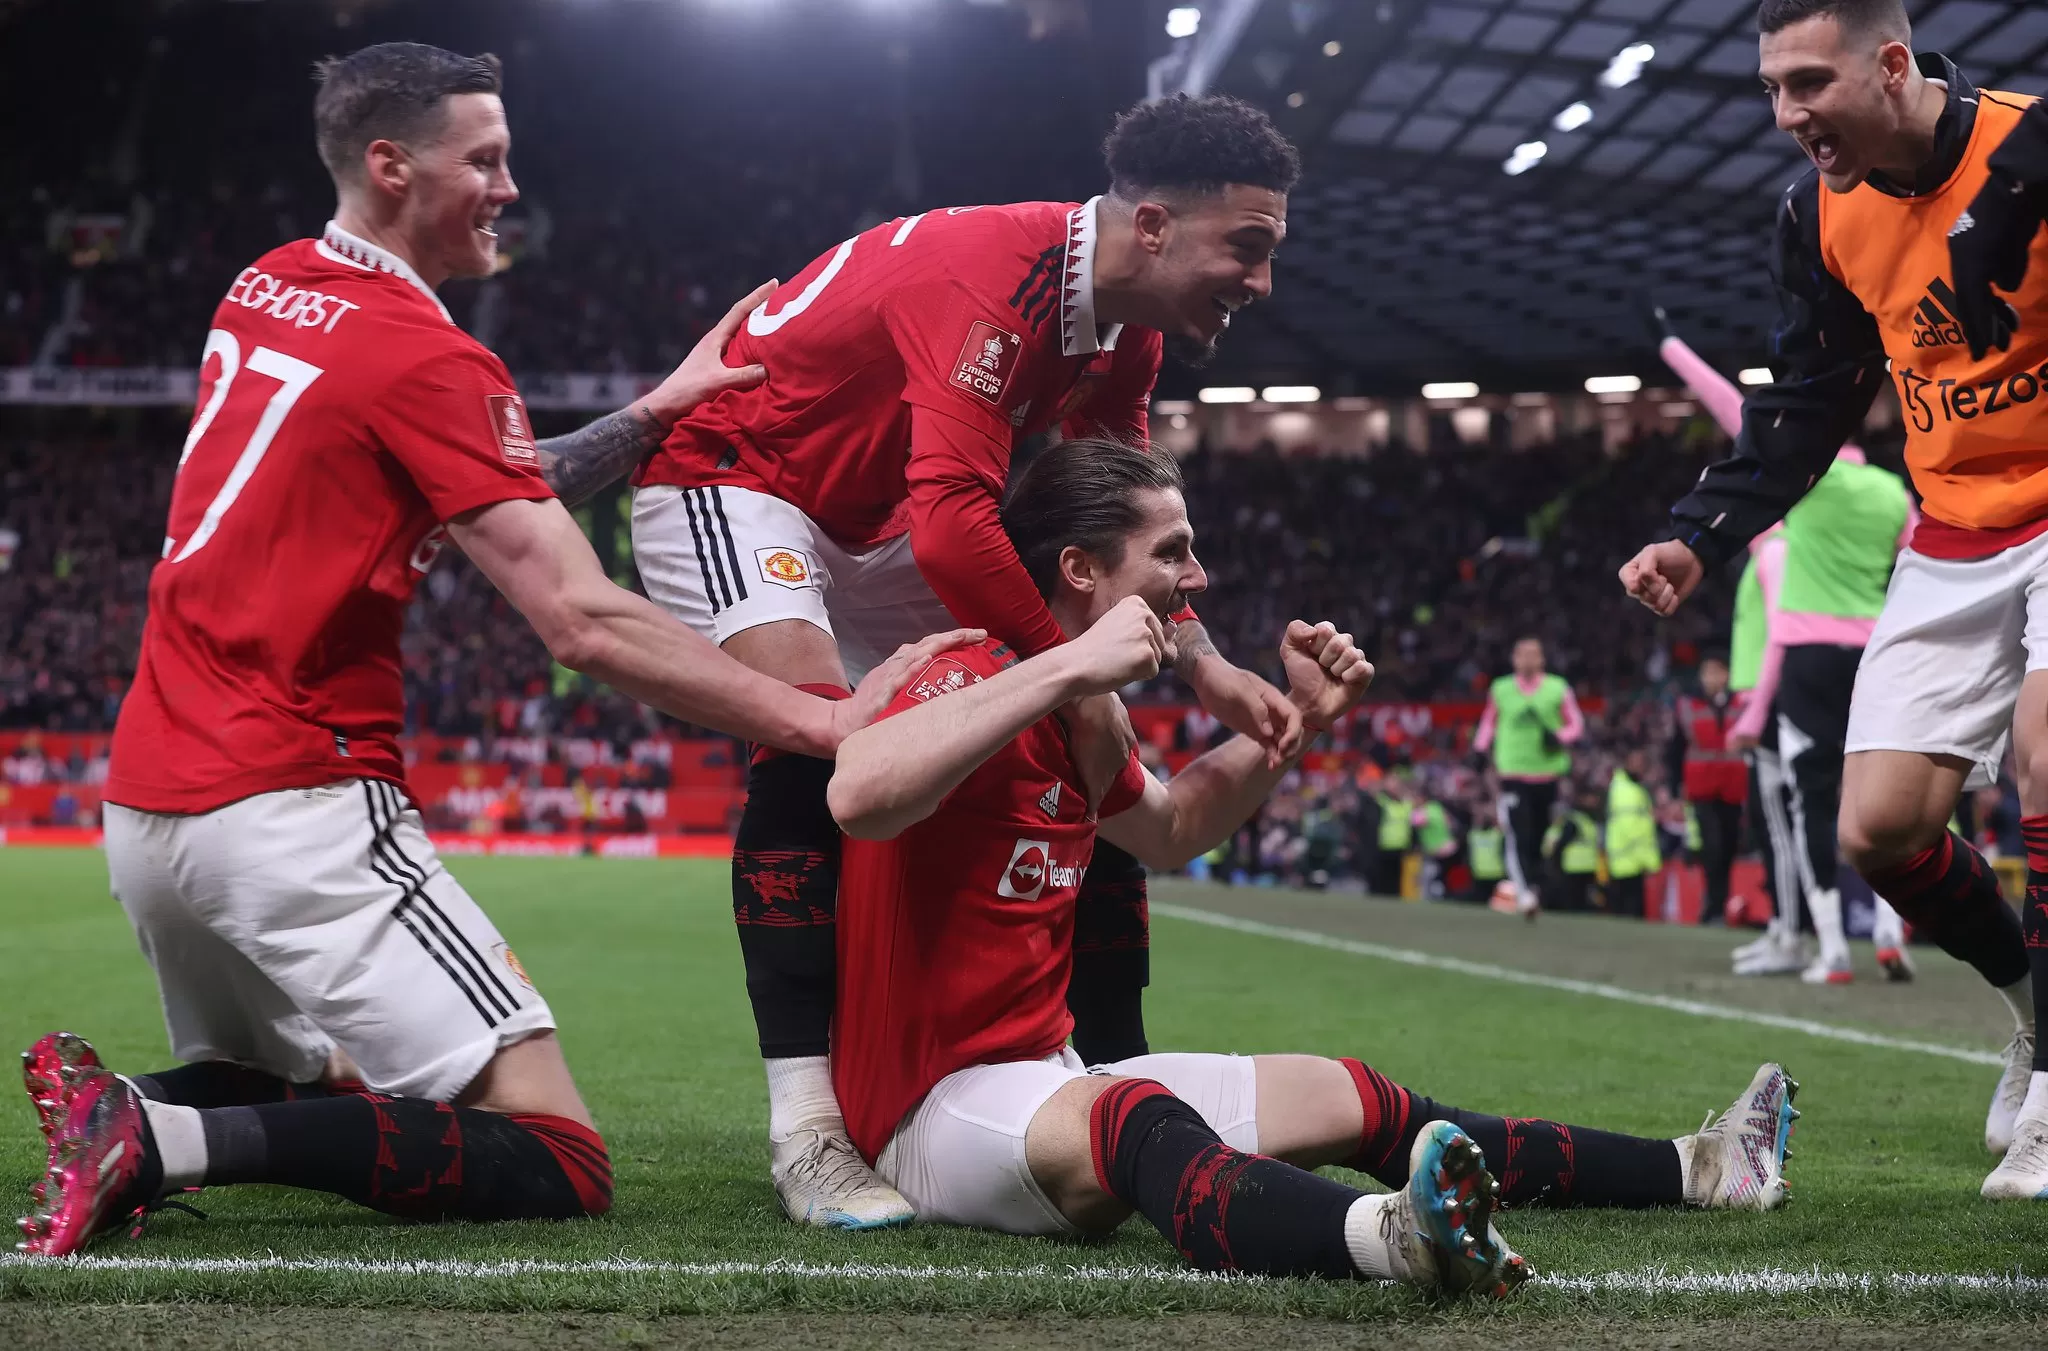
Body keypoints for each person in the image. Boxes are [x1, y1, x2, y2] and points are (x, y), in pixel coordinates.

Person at [13, 43, 977, 1258]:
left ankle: (126, 1111)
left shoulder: (268, 285)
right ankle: (156, 1141)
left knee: (297, 1089)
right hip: (291, 795)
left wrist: (653, 411)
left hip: (149, 807)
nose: (509, 188)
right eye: (484, 160)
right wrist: (823, 720)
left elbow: (495, 477)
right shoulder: (427, 357)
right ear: (390, 166)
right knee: (556, 1155)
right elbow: (581, 618)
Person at [821, 438, 1797, 1293]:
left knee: (1353, 1096)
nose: (1196, 576)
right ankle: (1392, 1241)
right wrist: (1069, 666)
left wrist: (1296, 724)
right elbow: (858, 794)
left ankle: (1703, 1167)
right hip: (925, 1113)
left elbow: (1171, 828)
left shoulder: (1085, 713)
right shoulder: (964, 673)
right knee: (1133, 1116)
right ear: (1079, 568)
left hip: (1044, 1077)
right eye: (1171, 551)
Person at [628, 93, 1308, 1227]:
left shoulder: (1125, 329)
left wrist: (1200, 661)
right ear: (1151, 226)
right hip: (740, 477)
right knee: (816, 736)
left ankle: (1111, 1073)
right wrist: (1072, 678)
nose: (1262, 281)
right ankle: (809, 1130)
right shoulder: (995, 279)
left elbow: (1123, 528)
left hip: (884, 515)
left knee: (1062, 727)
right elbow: (953, 527)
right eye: (1246, 245)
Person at [1619, 0, 2043, 1191]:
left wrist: (2006, 200)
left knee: (2043, 755)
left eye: (1808, 81)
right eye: (1771, 87)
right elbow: (1808, 397)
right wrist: (1700, 535)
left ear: (1892, 63)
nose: (1785, 113)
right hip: (1951, 530)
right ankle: (2031, 1013)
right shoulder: (1814, 212)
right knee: (1874, 831)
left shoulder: (2019, 143)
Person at [1474, 637, 1586, 918]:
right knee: (1518, 833)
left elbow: (1576, 725)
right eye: (1522, 654)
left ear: (1541, 659)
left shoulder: (1557, 688)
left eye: (1533, 654)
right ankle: (1524, 894)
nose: (1527, 659)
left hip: (1547, 774)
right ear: (1514, 659)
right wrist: (1479, 748)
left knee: (1539, 835)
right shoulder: (1501, 689)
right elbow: (1489, 722)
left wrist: (1559, 737)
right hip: (1512, 772)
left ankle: (1532, 888)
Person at [1670, 655, 1747, 926]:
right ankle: (1713, 906)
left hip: (1733, 788)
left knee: (1728, 846)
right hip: (1701, 789)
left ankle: (1719, 903)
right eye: (1706, 673)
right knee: (1711, 845)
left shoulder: (1742, 702)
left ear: (1727, 675)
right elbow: (1675, 747)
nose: (1710, 679)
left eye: (1716, 672)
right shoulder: (1687, 705)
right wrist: (1674, 788)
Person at [1603, 752, 1663, 921]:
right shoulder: (1626, 790)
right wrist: (1649, 859)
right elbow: (1633, 829)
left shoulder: (1631, 788)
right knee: (1629, 912)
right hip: (1629, 859)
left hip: (1628, 860)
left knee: (1628, 913)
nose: (1642, 767)